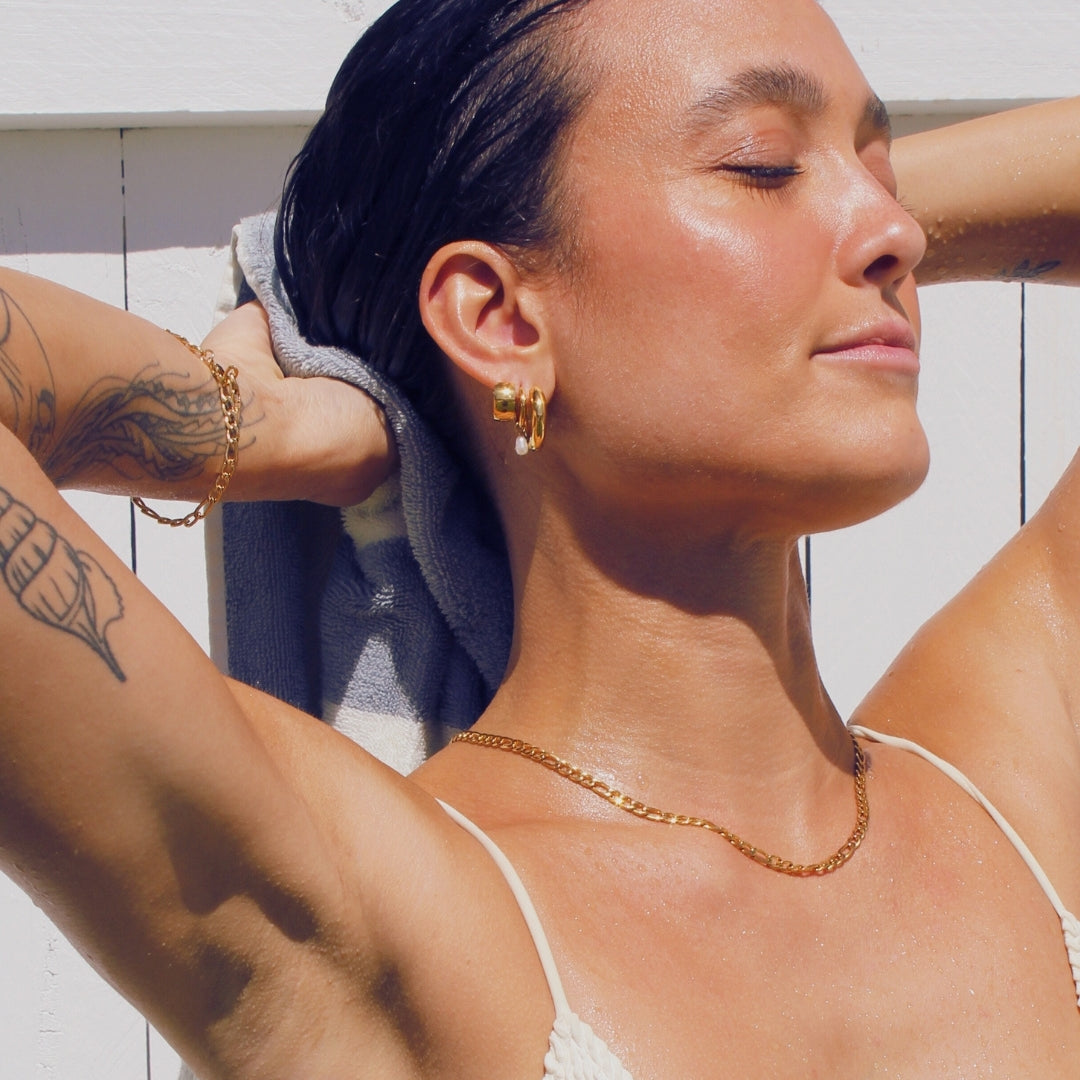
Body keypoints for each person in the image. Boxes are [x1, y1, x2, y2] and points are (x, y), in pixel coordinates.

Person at [1, 0, 1079, 1076]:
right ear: (499, 320)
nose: (896, 233)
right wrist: (259, 418)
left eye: (879, 172)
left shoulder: (1024, 788)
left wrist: (831, 208)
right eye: (758, 165)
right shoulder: (389, 917)